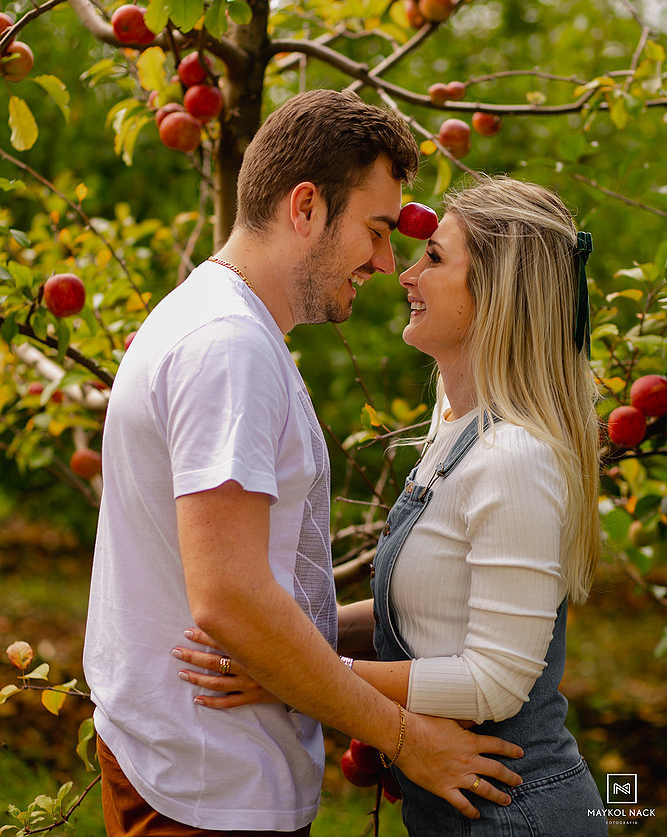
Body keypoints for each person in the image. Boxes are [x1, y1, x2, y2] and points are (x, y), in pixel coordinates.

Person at [83, 92, 524, 837]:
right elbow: (231, 598)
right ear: (307, 207)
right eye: (376, 231)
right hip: (208, 787)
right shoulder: (228, 347)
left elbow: (264, 588)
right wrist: (406, 738)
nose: (386, 263)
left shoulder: (216, 321)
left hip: (196, 765)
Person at [176, 175, 608, 835]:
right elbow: (427, 614)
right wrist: (274, 639)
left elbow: (492, 685)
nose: (403, 274)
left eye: (433, 257)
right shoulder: (456, 432)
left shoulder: (514, 458)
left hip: (513, 808)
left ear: (496, 293)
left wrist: (299, 677)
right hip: (460, 800)